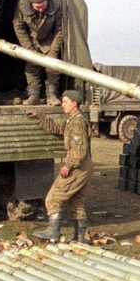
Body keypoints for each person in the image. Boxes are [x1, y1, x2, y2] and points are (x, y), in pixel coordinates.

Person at [28, 90, 92, 242]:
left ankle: (53, 232)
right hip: (84, 166)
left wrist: (68, 165)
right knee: (76, 202)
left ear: (74, 103)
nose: (62, 104)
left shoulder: (77, 122)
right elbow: (57, 129)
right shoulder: (73, 120)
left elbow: (79, 149)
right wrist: (40, 116)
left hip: (78, 167)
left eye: (65, 102)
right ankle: (80, 239)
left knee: (53, 198)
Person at [13, 0, 64, 106]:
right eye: (37, 7)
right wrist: (29, 48)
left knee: (53, 65)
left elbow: (60, 29)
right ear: (31, 3)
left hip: (50, 39)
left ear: (47, 0)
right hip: (31, 39)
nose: (40, 9)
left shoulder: (56, 5)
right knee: (31, 65)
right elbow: (19, 26)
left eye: (43, 6)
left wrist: (54, 49)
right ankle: (33, 95)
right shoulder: (22, 5)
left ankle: (52, 95)